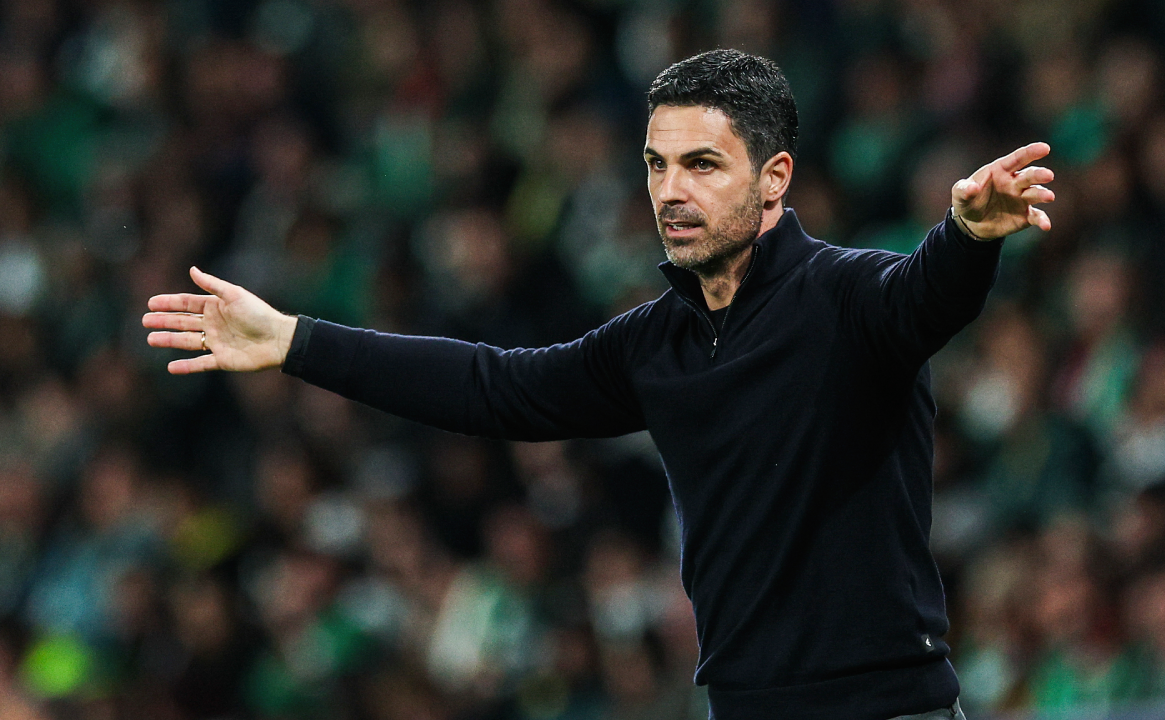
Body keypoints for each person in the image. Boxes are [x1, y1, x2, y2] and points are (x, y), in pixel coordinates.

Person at [143, 50, 1054, 720]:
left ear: (774, 179)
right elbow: (491, 387)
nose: (670, 191)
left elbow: (924, 299)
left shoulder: (850, 298)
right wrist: (299, 340)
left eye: (702, 165)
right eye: (657, 164)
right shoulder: (653, 345)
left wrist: (968, 239)